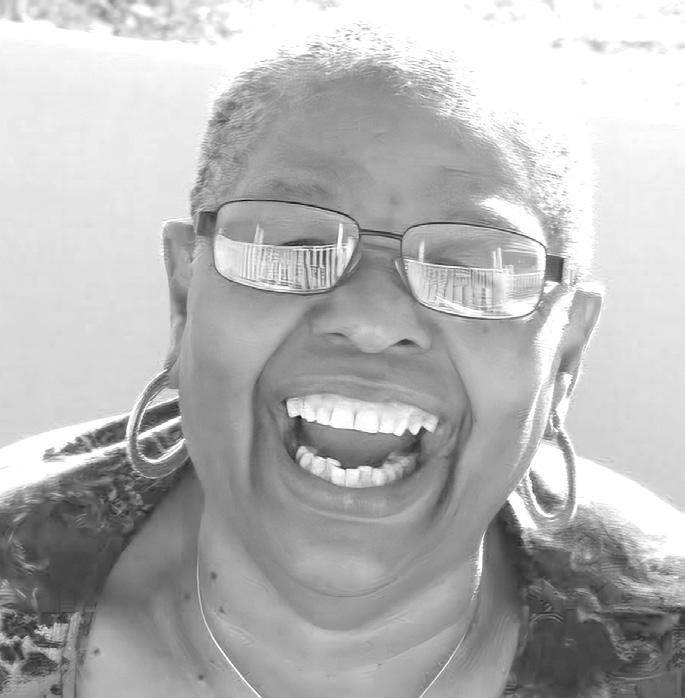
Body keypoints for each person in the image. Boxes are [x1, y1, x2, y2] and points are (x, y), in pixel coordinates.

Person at [0, 19, 683, 698]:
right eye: (293, 246)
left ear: (565, 354)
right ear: (185, 294)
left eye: (470, 270)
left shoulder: (662, 649)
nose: (371, 321)